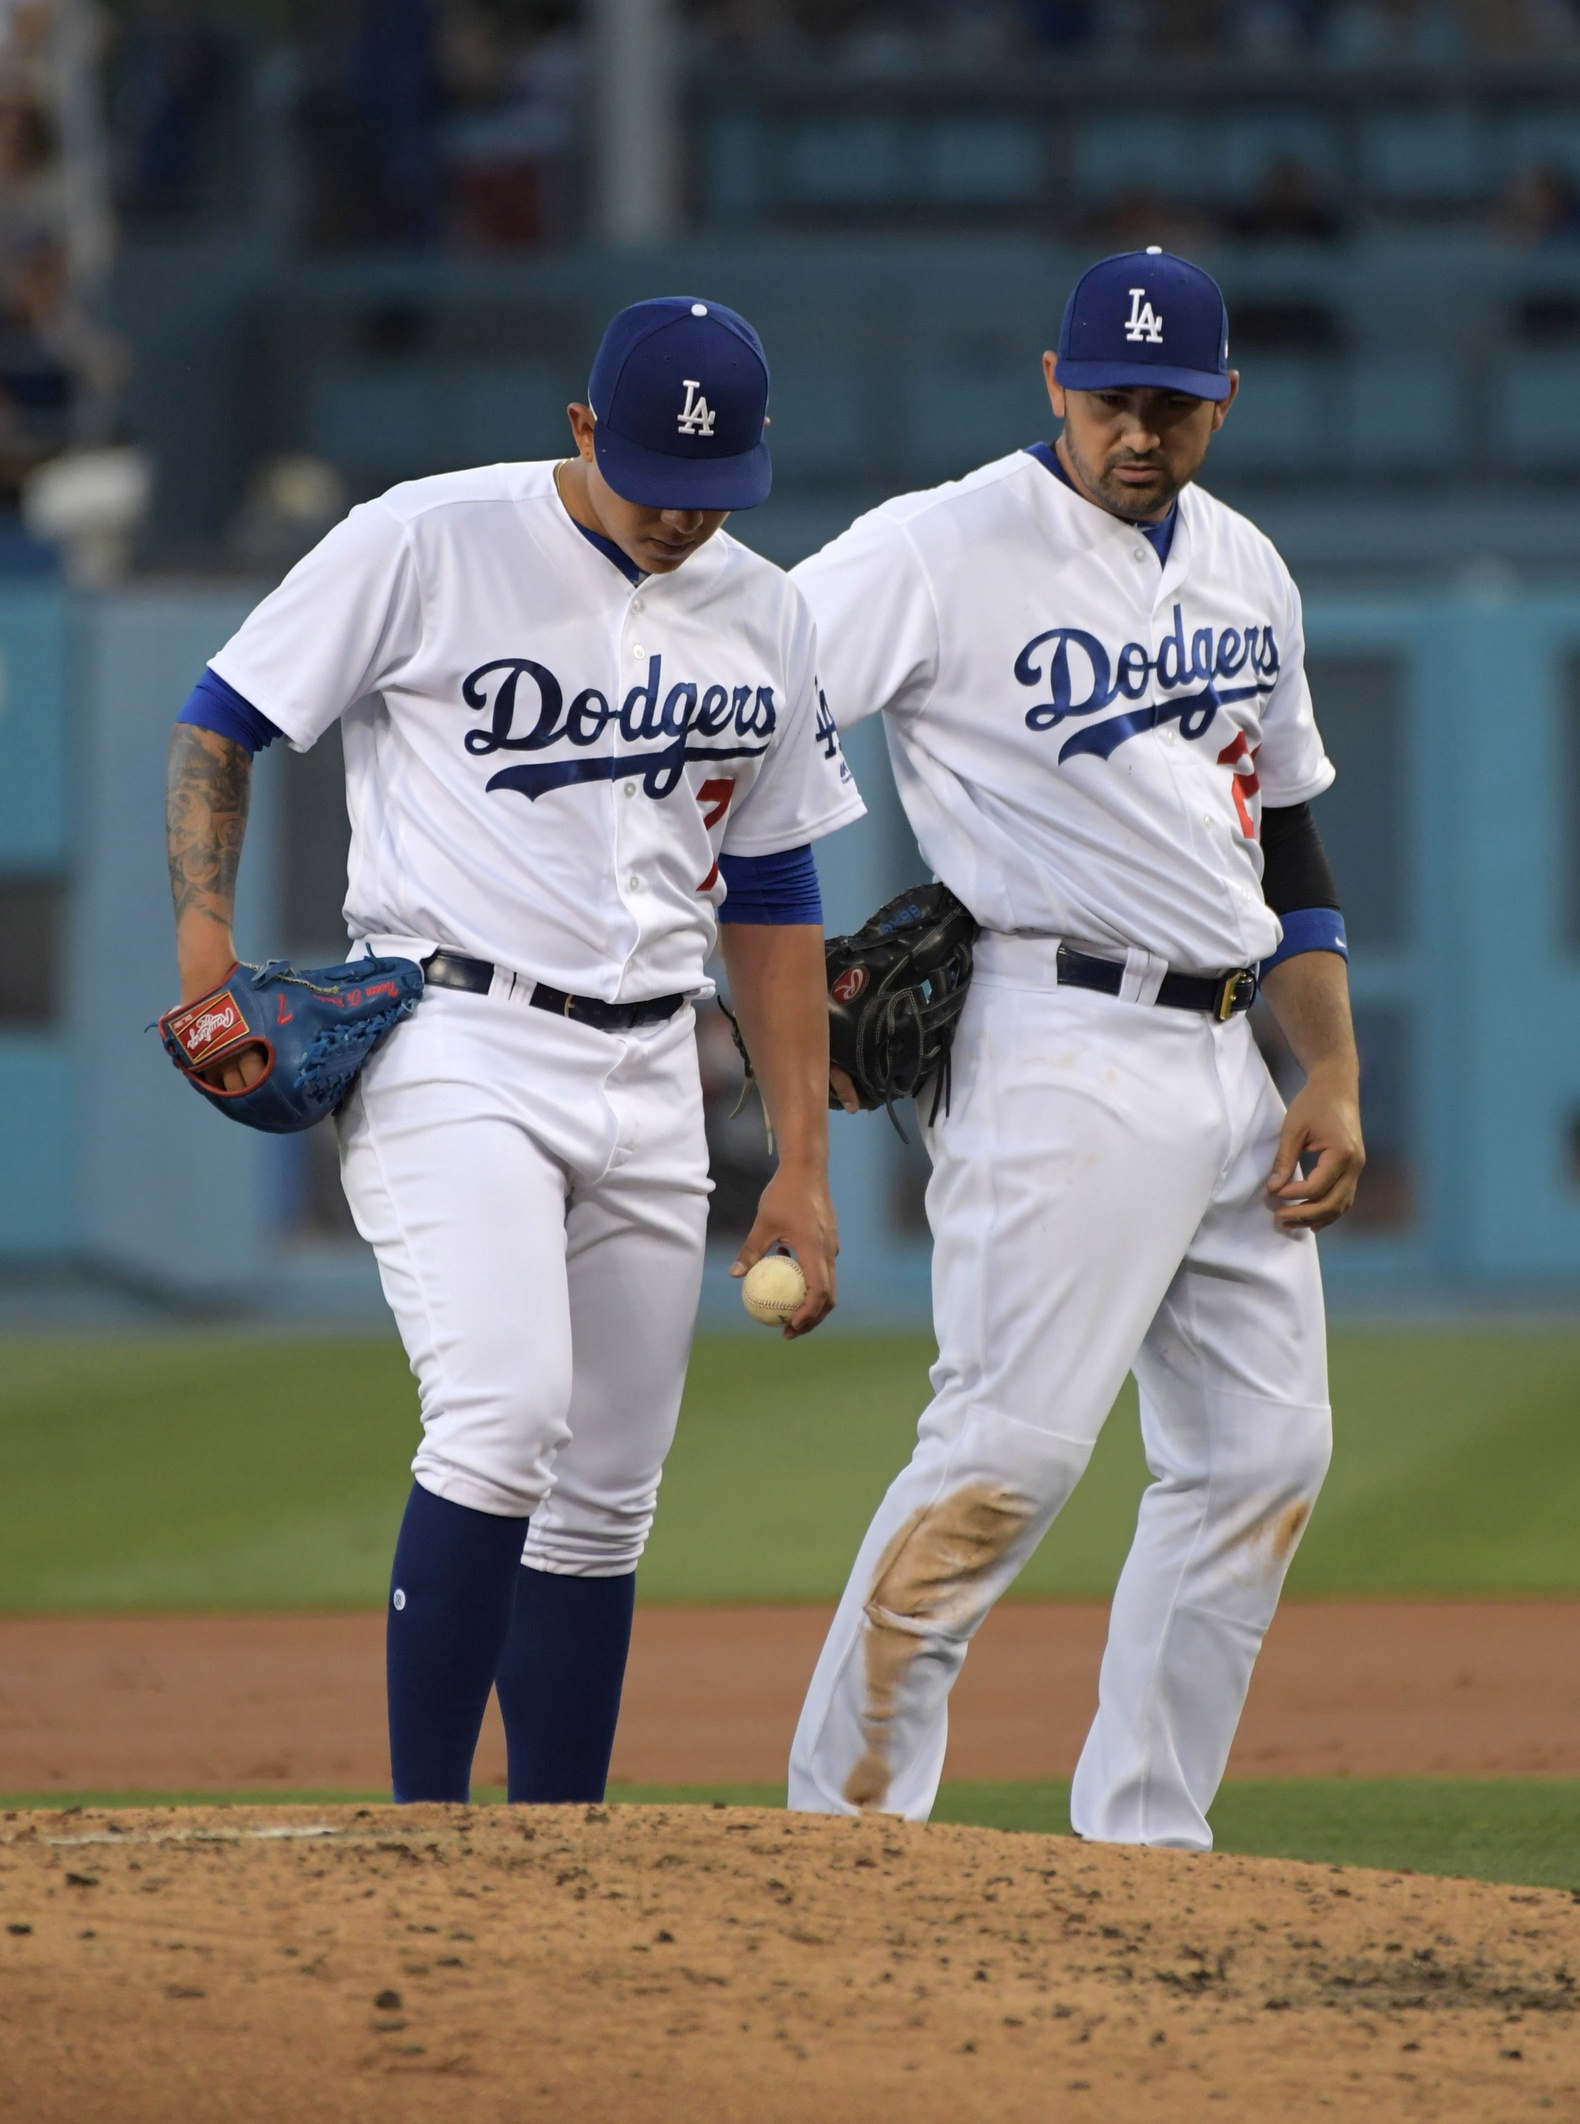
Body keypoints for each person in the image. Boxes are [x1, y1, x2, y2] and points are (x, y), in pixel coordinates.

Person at [163, 295, 864, 1804]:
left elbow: (780, 886)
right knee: (503, 1414)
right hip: (452, 1036)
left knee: (606, 1500)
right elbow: (224, 717)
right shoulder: (425, 539)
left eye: (719, 483)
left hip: (657, 1069)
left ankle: (560, 1872)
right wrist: (205, 953)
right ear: (580, 428)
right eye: (657, 476)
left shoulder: (770, 609)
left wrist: (802, 1162)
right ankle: (428, 1836)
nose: (687, 513)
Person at [789, 248, 1364, 1847]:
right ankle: (846, 1828)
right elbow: (752, 700)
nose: (1139, 430)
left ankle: (1146, 1837)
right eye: (1111, 398)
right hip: (1054, 1041)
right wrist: (767, 937)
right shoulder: (940, 546)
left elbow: (1292, 845)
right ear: (1053, 383)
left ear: (1221, 404)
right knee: (1009, 1459)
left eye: (1171, 405)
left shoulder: (1247, 565)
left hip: (1232, 1049)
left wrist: (1329, 1070)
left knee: (1264, 1454)